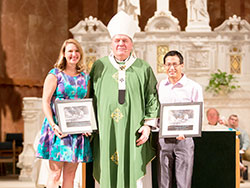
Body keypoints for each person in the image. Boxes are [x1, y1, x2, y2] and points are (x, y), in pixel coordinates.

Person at [90, 11, 159, 188]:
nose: (121, 44)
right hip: (106, 130)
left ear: (131, 44)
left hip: (133, 129)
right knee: (106, 170)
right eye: (117, 40)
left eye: (125, 40)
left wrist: (148, 126)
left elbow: (152, 97)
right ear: (111, 43)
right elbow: (89, 96)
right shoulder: (99, 66)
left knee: (133, 172)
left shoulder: (143, 68)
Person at [36, 39, 92, 188]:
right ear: (64, 54)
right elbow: (45, 102)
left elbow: (84, 102)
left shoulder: (85, 77)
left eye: (77, 51)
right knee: (55, 174)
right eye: (70, 51)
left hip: (76, 131)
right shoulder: (55, 75)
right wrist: (54, 125)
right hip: (57, 130)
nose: (74, 54)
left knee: (71, 175)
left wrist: (87, 124)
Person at [157, 50, 203, 188]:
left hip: (185, 139)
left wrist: (187, 131)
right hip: (163, 139)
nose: (172, 68)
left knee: (183, 183)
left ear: (182, 65)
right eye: (168, 64)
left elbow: (198, 115)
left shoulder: (193, 87)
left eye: (175, 64)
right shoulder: (160, 87)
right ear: (164, 67)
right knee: (163, 182)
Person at [227, 114, 249, 182]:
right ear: (228, 120)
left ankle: (239, 176)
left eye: (235, 120)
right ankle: (241, 166)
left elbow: (246, 142)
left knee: (238, 154)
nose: (233, 121)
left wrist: (243, 149)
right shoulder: (224, 129)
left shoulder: (242, 132)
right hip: (227, 149)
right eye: (232, 119)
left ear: (237, 122)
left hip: (237, 150)